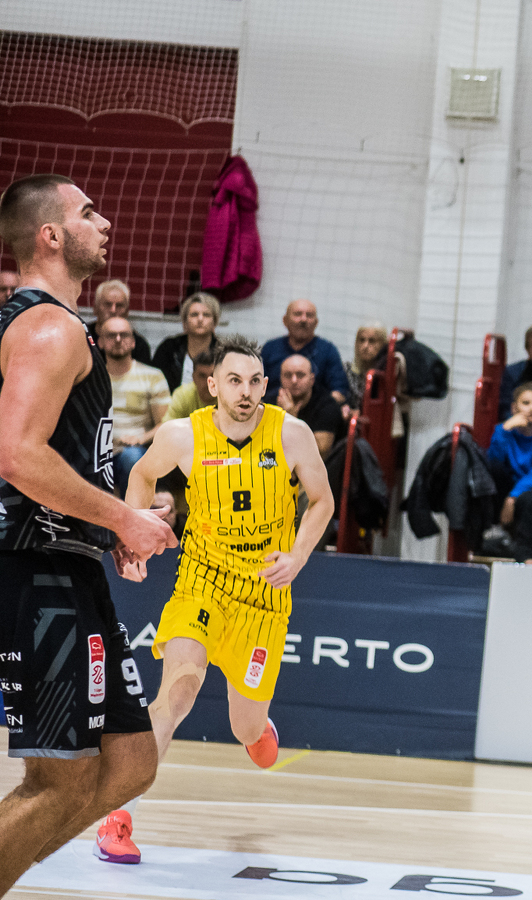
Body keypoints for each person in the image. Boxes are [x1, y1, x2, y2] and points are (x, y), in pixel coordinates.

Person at [0, 174, 176, 888]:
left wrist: (110, 532)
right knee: (59, 782)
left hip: (69, 561)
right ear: (50, 235)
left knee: (130, 763)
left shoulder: (60, 326)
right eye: (88, 212)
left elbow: (63, 460)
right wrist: (123, 516)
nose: (105, 222)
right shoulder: (47, 327)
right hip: (34, 568)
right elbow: (18, 456)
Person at [110, 334, 334, 862]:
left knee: (244, 726)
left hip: (263, 595)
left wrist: (298, 556)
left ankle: (257, 730)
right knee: (177, 696)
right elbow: (141, 473)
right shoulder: (183, 434)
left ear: (265, 385)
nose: (245, 391)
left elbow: (322, 501)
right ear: (213, 385)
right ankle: (117, 818)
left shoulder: (292, 433)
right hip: (203, 581)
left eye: (254, 381)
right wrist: (134, 537)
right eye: (234, 380)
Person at [101, 317, 171, 496]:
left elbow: (165, 423)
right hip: (100, 450)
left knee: (131, 458)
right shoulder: (93, 378)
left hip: (135, 450)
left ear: (133, 342)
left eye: (123, 335)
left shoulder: (153, 376)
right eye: (111, 335)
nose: (118, 339)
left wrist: (141, 438)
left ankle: (133, 512)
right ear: (100, 342)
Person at [487, 381, 532, 525]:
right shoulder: (504, 430)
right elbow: (493, 461)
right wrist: (504, 431)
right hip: (508, 483)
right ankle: (493, 527)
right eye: (526, 403)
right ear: (514, 408)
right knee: (493, 472)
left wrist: (512, 497)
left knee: (530, 498)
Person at [261, 299, 350, 403]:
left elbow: (340, 392)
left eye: (309, 315)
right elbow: (257, 387)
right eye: (298, 314)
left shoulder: (328, 350)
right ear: (285, 320)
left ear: (316, 323)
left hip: (317, 411)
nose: (304, 319)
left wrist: (318, 409)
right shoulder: (270, 349)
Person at [344, 323, 409, 440]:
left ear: (382, 345)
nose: (365, 346)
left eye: (372, 341)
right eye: (361, 340)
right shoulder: (347, 370)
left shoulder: (386, 375)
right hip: (350, 429)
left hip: (378, 431)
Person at [150, 291, 220, 393]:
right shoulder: (169, 349)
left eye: (206, 315)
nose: (200, 319)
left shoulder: (223, 353)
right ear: (185, 322)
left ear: (215, 322)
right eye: (194, 315)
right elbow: (153, 384)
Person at [276, 354, 344, 456]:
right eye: (288, 375)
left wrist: (292, 419)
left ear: (312, 380)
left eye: (300, 375)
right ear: (280, 378)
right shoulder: (269, 402)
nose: (294, 380)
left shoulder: (327, 405)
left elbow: (321, 453)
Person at [87, 279, 151, 365]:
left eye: (119, 305)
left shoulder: (138, 345)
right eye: (107, 304)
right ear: (95, 308)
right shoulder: (82, 337)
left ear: (127, 311)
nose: (113, 310)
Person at [166, 350, 216, 421]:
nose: (208, 382)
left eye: (212, 375)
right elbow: (168, 424)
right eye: (202, 376)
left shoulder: (228, 395)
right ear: (193, 377)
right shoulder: (182, 396)